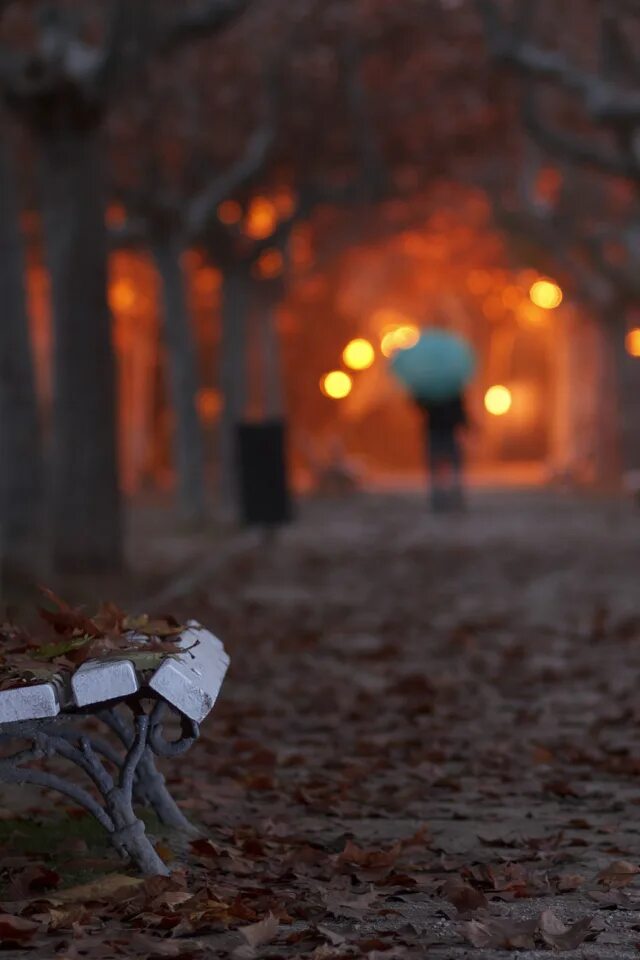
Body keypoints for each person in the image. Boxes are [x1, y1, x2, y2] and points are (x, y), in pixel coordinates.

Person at [415, 392, 468, 511]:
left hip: (437, 434)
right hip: (445, 434)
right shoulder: (453, 393)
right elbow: (461, 413)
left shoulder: (432, 393)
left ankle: (441, 499)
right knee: (453, 468)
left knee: (436, 468)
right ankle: (453, 498)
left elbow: (421, 407)